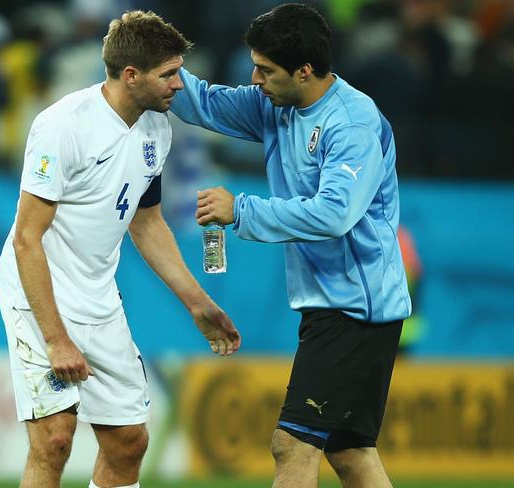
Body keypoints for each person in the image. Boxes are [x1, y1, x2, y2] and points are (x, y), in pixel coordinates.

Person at [0, 11, 241, 488]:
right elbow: (27, 238)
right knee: (55, 439)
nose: (179, 85)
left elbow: (146, 224)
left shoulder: (157, 130)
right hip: (37, 294)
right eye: (169, 74)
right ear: (132, 76)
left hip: (98, 298)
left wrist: (198, 303)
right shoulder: (62, 126)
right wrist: (56, 338)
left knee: (129, 441)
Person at [170, 4, 411, 488]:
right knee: (351, 452)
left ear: (305, 71)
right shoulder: (276, 102)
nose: (254, 78)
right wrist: (158, 61)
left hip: (354, 307)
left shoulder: (352, 123)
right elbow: (205, 102)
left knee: (293, 445)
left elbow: (334, 214)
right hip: (339, 304)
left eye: (265, 69)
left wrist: (242, 210)